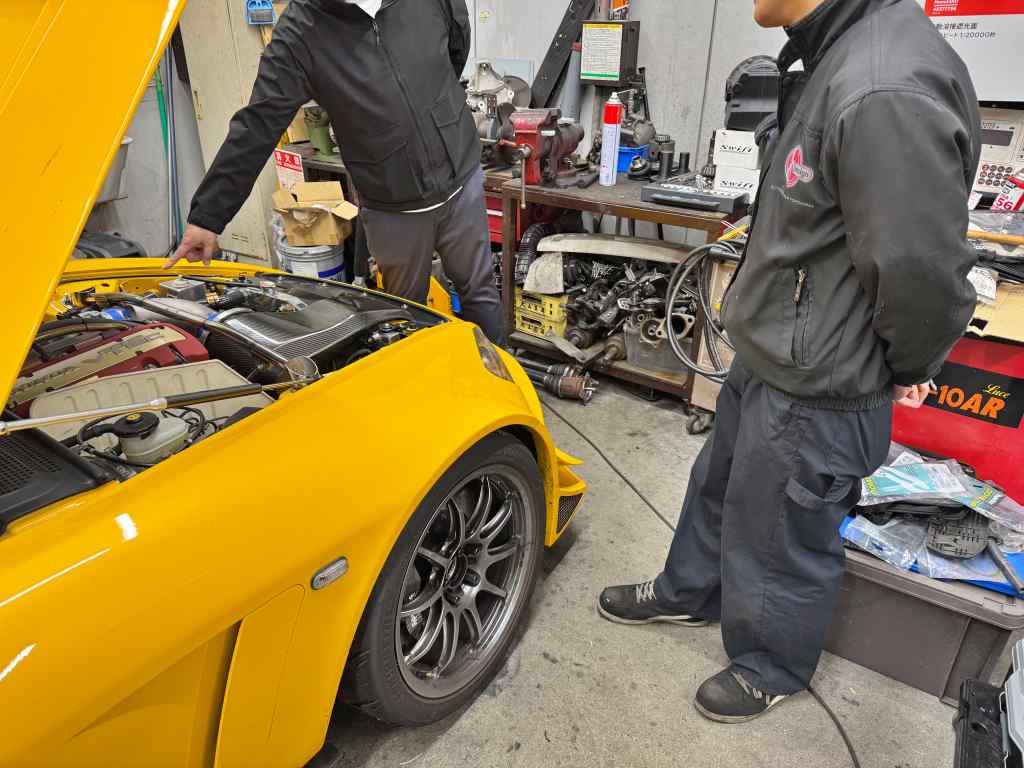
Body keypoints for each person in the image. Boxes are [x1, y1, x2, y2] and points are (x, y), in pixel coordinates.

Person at [599, 0, 981, 724]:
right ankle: (691, 591)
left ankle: (769, 662)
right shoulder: (835, 49)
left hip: (822, 376)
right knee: (719, 488)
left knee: (781, 533)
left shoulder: (883, 86)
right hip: (777, 346)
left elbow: (920, 271)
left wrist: (906, 364)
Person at [165, 0, 505, 345]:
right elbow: (258, 124)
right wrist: (208, 216)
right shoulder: (301, 31)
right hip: (392, 205)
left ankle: (502, 375)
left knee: (480, 293)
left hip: (461, 178)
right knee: (406, 317)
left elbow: (455, 41)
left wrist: (441, 114)